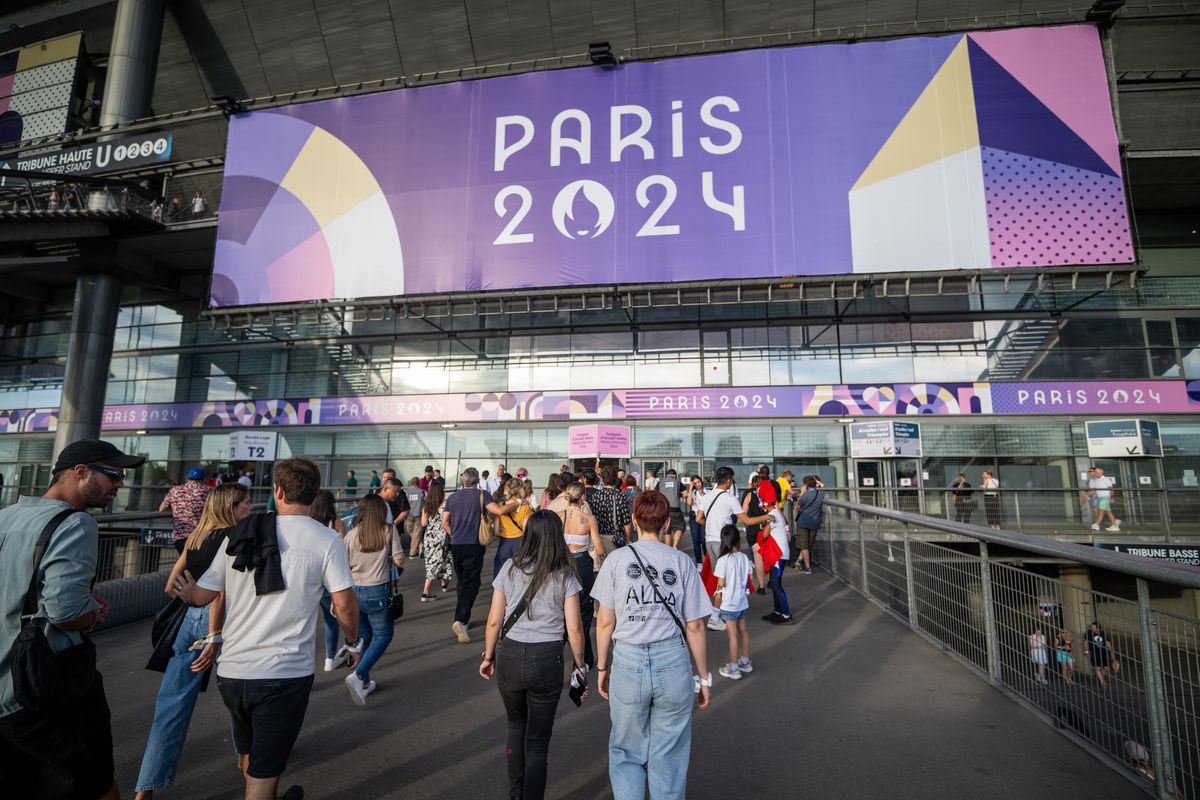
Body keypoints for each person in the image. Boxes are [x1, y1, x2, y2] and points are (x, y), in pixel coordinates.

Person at [178, 458, 360, 800]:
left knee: (249, 756)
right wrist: (352, 641)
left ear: (277, 491)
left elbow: (202, 595)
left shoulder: (239, 533)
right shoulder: (326, 540)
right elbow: (346, 604)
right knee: (265, 773)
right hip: (283, 674)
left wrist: (186, 592)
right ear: (316, 494)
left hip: (232, 672)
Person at [0, 439, 145, 800]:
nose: (119, 484)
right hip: (45, 686)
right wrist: (93, 612)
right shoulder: (76, 523)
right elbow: (65, 612)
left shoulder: (7, 515)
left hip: (5, 689)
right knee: (94, 783)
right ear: (81, 472)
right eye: (114, 474)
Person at [134, 483, 252, 799]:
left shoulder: (197, 536)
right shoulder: (234, 539)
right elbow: (221, 594)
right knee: (240, 701)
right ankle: (252, 778)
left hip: (189, 619)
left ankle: (145, 790)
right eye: (244, 504)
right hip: (221, 623)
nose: (250, 508)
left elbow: (171, 585)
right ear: (230, 507)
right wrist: (214, 635)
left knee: (171, 705)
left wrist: (191, 599)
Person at [593, 491, 712, 800]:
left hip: (628, 659)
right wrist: (703, 677)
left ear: (634, 520)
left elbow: (605, 622)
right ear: (666, 523)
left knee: (626, 750)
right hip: (672, 659)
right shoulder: (682, 562)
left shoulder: (617, 560)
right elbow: (696, 626)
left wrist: (602, 666)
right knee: (669, 752)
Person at [479, 510, 587, 800]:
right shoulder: (565, 574)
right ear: (557, 537)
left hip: (510, 654)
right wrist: (580, 665)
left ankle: (515, 793)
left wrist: (488, 656)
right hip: (547, 657)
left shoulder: (510, 569)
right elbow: (574, 628)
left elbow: (494, 620)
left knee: (515, 726)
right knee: (538, 742)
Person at [442, 468, 518, 644]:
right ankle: (460, 620)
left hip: (456, 544)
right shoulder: (482, 495)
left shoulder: (453, 497)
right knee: (472, 583)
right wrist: (517, 503)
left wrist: (453, 534)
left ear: (463, 481)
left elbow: (444, 522)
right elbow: (498, 511)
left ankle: (463, 618)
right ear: (477, 481)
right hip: (473, 544)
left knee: (462, 581)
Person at [342, 494, 404, 706]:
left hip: (354, 591)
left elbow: (344, 565)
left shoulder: (350, 535)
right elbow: (399, 559)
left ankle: (365, 684)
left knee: (365, 636)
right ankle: (359, 674)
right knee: (384, 635)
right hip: (377, 589)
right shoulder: (388, 530)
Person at [695, 467, 770, 630]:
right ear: (728, 480)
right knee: (727, 580)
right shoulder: (730, 498)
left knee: (719, 579)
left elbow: (698, 518)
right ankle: (718, 615)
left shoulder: (707, 497)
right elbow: (747, 521)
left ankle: (718, 614)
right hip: (725, 541)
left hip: (710, 542)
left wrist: (711, 526)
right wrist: (766, 516)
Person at [555, 482, 605, 670]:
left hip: (561, 564)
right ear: (582, 497)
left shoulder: (558, 516)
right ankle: (583, 659)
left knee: (560, 610)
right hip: (582, 564)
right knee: (583, 611)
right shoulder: (588, 519)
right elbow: (599, 549)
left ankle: (557, 655)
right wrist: (589, 547)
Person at [310, 491, 350, 673]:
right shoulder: (336, 524)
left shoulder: (308, 523)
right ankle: (329, 658)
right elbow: (343, 547)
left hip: (308, 578)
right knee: (330, 620)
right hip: (328, 580)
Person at [713, 525, 753, 680]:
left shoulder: (723, 560)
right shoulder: (744, 557)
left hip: (729, 604)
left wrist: (715, 608)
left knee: (732, 635)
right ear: (737, 539)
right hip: (742, 602)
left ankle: (734, 667)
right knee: (743, 631)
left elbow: (720, 584)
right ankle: (745, 661)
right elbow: (750, 577)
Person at [159, 467, 213, 554]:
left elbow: (161, 509)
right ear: (204, 479)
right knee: (197, 564)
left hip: (180, 536)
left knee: (184, 563)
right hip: (200, 535)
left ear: (187, 479)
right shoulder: (209, 491)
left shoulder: (174, 490)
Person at [760, 499, 793, 625]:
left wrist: (766, 523)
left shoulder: (773, 514)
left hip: (779, 554)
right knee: (775, 583)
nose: (762, 503)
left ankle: (786, 614)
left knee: (775, 583)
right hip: (779, 553)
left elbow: (764, 534)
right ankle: (778, 611)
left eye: (763, 500)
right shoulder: (776, 512)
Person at [419, 484, 453, 601]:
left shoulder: (426, 507)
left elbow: (423, 524)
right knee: (439, 561)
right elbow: (448, 521)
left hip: (429, 537)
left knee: (439, 560)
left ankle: (444, 584)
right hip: (442, 537)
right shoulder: (445, 505)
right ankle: (425, 592)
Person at [495, 478, 534, 576]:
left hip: (504, 542)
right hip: (520, 541)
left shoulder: (500, 506)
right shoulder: (526, 507)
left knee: (500, 572)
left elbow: (496, 531)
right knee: (521, 573)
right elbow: (526, 531)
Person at [592, 466, 632, 547]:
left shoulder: (595, 496)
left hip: (599, 538)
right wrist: (628, 540)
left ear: (602, 479)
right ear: (615, 478)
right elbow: (626, 521)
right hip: (617, 539)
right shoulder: (620, 496)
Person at [792, 476, 824, 574]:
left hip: (803, 522)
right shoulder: (820, 494)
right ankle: (798, 560)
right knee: (809, 544)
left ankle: (807, 567)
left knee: (804, 546)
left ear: (806, 485)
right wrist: (818, 481)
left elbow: (796, 507)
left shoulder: (805, 495)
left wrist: (801, 493)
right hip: (815, 522)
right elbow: (822, 486)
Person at [657, 469, 686, 552]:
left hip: (664, 509)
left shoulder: (661, 482)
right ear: (675, 475)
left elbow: (655, 494)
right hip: (675, 510)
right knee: (680, 527)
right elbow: (685, 494)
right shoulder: (677, 482)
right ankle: (674, 547)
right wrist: (678, 494)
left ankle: (668, 550)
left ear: (667, 475)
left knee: (667, 530)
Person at [1088, 466, 1121, 531]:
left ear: (1101, 473)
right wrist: (1086, 495)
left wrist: (1112, 497)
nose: (1095, 473)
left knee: (1101, 511)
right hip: (1100, 498)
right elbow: (1094, 489)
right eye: (1094, 472)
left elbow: (1110, 488)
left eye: (1096, 472)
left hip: (1105, 498)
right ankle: (1115, 525)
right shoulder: (1097, 480)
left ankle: (1097, 524)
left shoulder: (1106, 479)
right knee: (1108, 512)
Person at [1084, 620, 1113, 689]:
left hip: (1103, 653)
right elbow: (1085, 643)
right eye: (1092, 627)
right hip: (1094, 653)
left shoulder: (1103, 633)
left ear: (1098, 628)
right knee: (1097, 667)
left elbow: (1107, 643)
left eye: (1093, 627)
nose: (1092, 629)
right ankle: (1103, 682)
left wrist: (1111, 652)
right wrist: (1087, 651)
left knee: (1106, 668)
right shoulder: (1088, 633)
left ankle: (1100, 678)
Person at [404, 477, 427, 556]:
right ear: (418, 483)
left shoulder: (407, 492)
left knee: (410, 531)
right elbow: (425, 501)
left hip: (409, 514)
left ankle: (412, 553)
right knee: (416, 534)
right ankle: (420, 545)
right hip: (418, 514)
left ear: (411, 483)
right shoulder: (422, 491)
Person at [685, 475, 705, 564]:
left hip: (704, 519)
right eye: (695, 483)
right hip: (694, 519)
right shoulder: (693, 493)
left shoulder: (708, 492)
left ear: (702, 482)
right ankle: (699, 563)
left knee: (704, 541)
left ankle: (708, 561)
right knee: (696, 541)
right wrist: (690, 488)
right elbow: (689, 502)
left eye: (699, 482)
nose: (698, 484)